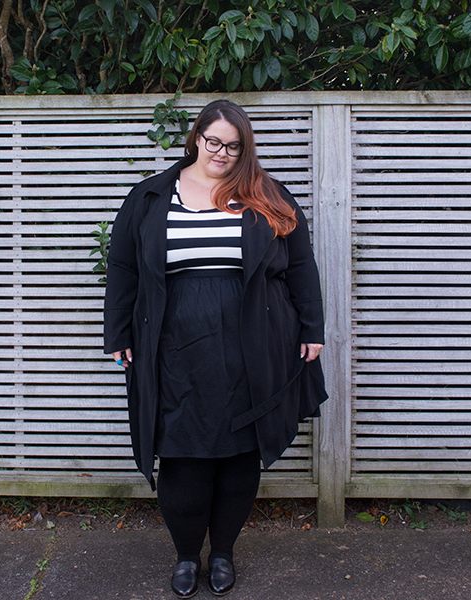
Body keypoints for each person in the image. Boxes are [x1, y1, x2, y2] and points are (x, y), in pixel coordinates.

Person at [104, 99, 327, 598]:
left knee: (238, 455)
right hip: (171, 349)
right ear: (195, 138)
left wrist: (313, 327)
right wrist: (118, 334)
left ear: (244, 147)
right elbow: (123, 269)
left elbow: (300, 266)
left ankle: (223, 552)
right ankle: (187, 556)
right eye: (214, 142)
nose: (222, 153)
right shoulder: (150, 197)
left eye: (234, 145)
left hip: (253, 345)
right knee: (183, 455)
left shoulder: (266, 195)